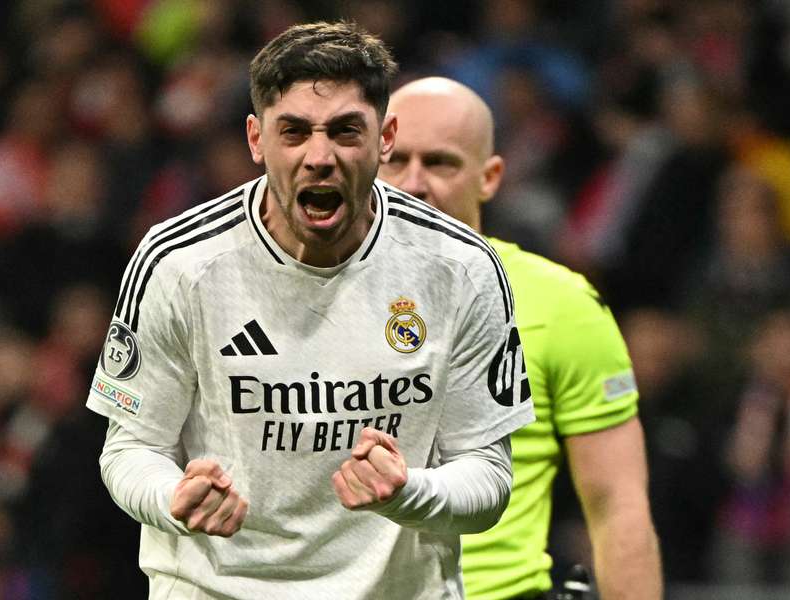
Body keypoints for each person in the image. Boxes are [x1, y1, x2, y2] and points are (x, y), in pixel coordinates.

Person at [87, 23, 534, 600]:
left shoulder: (460, 266)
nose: (319, 157)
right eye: (293, 131)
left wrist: (407, 492)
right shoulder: (179, 263)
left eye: (346, 131)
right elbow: (130, 450)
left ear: (385, 137)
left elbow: (489, 477)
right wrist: (171, 499)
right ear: (256, 139)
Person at [380, 77, 662, 600]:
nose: (414, 183)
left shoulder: (562, 306)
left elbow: (617, 506)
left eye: (441, 163)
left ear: (489, 178)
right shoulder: (310, 300)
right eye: (396, 161)